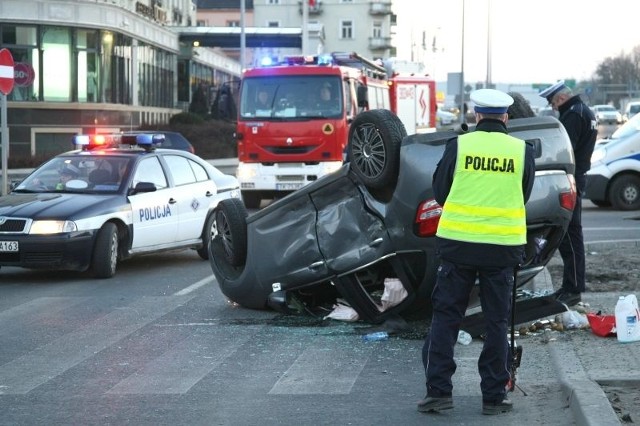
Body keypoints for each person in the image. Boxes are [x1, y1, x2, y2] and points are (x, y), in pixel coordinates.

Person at [418, 89, 535, 416]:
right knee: (497, 322)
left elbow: (440, 191)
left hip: (457, 246)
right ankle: (494, 397)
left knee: (446, 317)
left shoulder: (459, 145)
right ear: (506, 118)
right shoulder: (521, 151)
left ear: (476, 116)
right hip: (502, 250)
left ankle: (439, 392)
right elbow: (522, 195)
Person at [539, 81, 598, 306]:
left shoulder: (573, 115)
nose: (554, 108)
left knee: (569, 234)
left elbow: (565, 150)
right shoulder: (585, 111)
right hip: (579, 176)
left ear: (561, 99)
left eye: (554, 104)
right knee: (572, 233)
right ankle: (573, 286)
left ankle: (572, 288)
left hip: (571, 177)